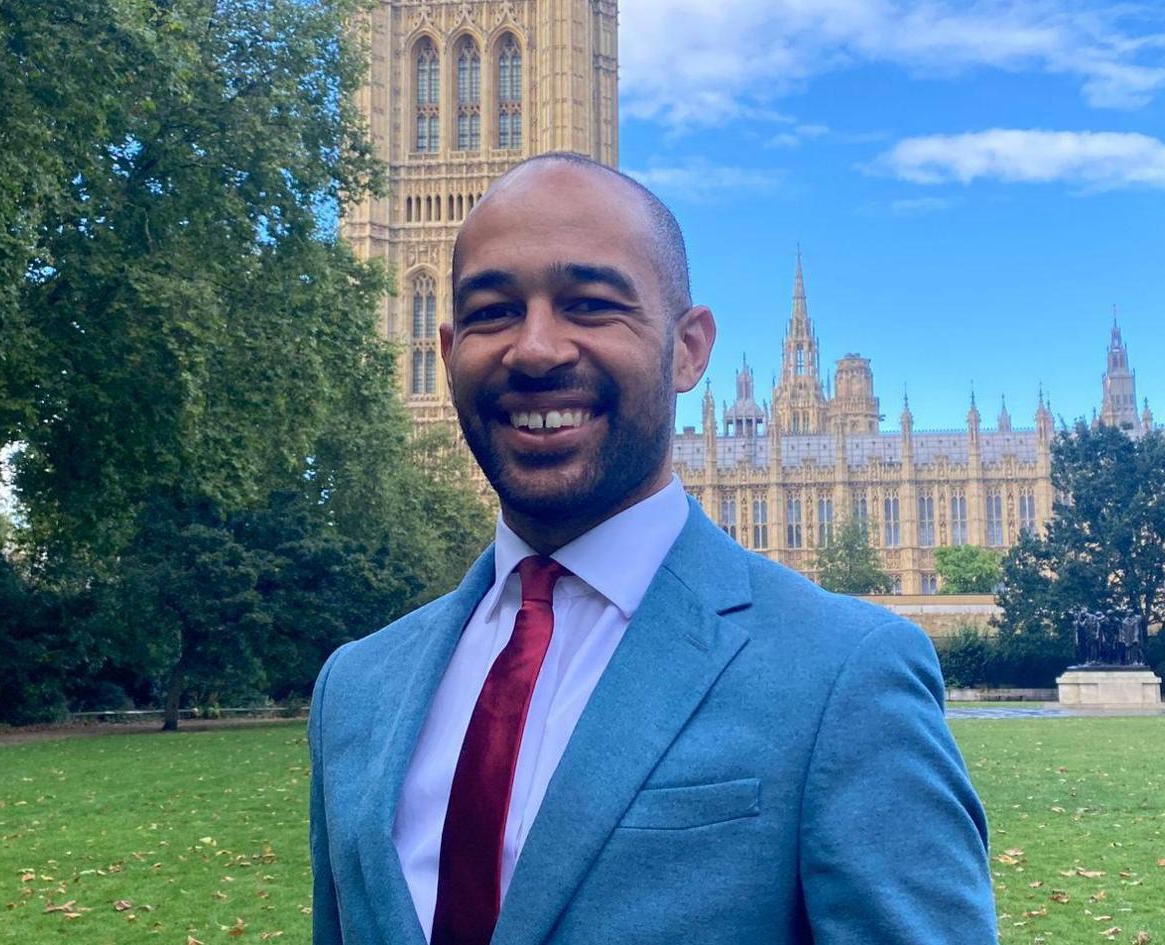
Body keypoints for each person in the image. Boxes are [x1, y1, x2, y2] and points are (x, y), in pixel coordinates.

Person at [307, 153, 995, 945]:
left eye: (592, 305)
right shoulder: (355, 691)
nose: (535, 349)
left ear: (689, 348)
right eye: (494, 311)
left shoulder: (845, 675)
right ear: (447, 346)